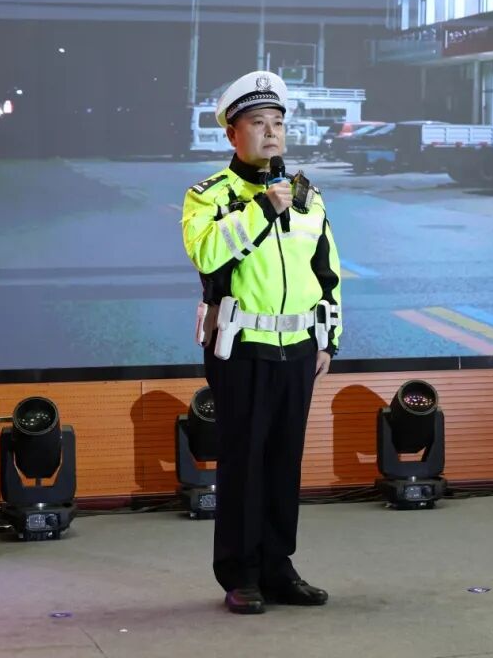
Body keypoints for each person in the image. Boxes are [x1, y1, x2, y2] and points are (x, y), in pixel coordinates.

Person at [181, 70, 342, 615]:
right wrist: (263, 209)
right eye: (257, 123)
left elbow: (327, 272)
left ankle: (278, 568)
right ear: (233, 133)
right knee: (244, 463)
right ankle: (241, 574)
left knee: (283, 463)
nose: (271, 132)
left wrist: (329, 340)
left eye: (277, 122)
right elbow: (207, 255)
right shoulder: (209, 196)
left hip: (299, 348)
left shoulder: (308, 197)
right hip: (241, 347)